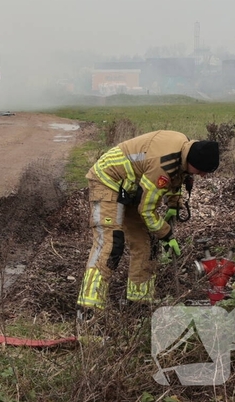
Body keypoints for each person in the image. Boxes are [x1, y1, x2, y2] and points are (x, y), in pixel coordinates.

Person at [77, 131, 220, 311]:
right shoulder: (162, 164)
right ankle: (88, 306)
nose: (202, 176)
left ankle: (139, 302)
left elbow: (177, 176)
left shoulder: (184, 149)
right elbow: (146, 210)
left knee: (148, 243)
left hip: (131, 188)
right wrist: (166, 234)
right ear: (192, 161)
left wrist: (174, 203)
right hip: (107, 180)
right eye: (201, 171)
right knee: (111, 242)